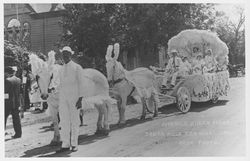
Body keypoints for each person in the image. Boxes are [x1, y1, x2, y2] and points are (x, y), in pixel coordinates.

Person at [56, 46, 85, 153]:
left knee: (74, 120)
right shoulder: (61, 68)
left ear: (70, 55)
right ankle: (65, 144)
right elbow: (59, 83)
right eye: (63, 54)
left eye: (67, 54)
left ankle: (74, 144)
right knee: (64, 121)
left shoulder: (77, 67)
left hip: (74, 97)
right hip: (63, 98)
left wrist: (80, 99)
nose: (65, 56)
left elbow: (82, 84)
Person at [5, 66, 22, 139]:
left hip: (8, 102)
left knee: (3, 118)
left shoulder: (7, 80)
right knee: (16, 118)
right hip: (16, 102)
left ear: (7, 73)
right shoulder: (18, 79)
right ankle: (18, 133)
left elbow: (5, 93)